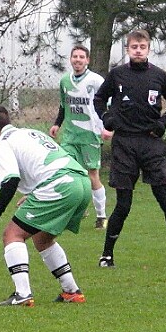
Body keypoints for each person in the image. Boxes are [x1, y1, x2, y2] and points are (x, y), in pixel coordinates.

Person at [93, 29, 166, 268]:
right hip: (124, 144)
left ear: (148, 49)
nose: (138, 50)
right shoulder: (117, 75)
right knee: (123, 205)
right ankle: (107, 255)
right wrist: (107, 117)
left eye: (142, 47)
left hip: (151, 144)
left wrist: (163, 122)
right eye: (134, 47)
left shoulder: (159, 75)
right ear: (127, 49)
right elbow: (98, 99)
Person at [0, 105, 91, 307]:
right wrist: (35, 193)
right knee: (42, 237)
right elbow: (46, 163)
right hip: (79, 180)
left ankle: (23, 295)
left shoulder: (3, 144)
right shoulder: (29, 132)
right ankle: (71, 291)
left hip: (60, 185)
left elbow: (10, 181)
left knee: (12, 235)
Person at [49, 45, 113, 230]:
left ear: (87, 60)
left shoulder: (96, 80)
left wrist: (108, 127)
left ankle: (101, 216)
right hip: (70, 135)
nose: (77, 60)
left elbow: (109, 104)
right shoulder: (64, 81)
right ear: (70, 59)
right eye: (75, 56)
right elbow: (64, 105)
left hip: (90, 135)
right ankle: (79, 208)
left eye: (81, 57)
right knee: (69, 172)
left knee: (92, 175)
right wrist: (56, 124)